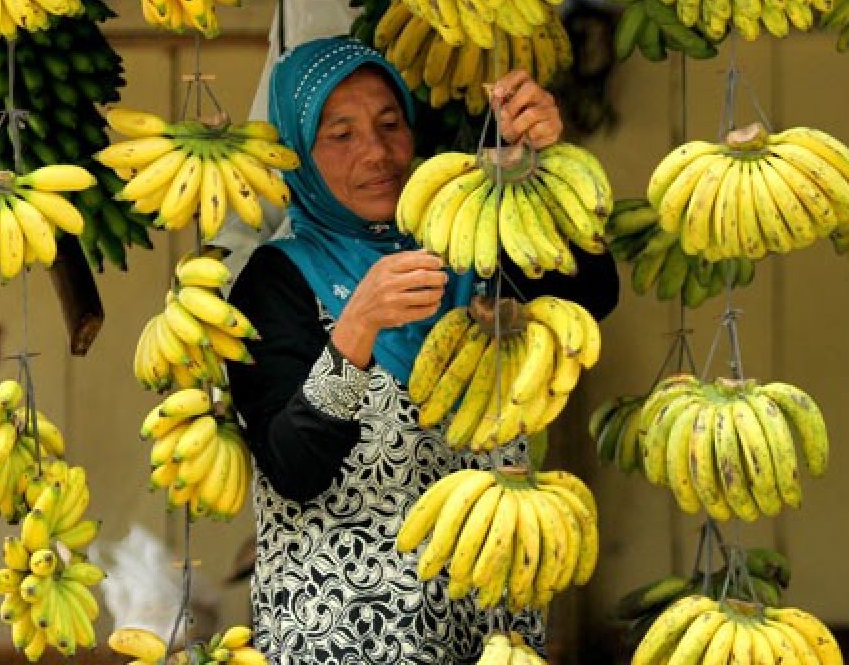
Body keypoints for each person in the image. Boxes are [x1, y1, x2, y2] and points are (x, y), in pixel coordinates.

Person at [226, 36, 619, 664]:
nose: (378, 153)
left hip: (487, 623)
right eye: (341, 135)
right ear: (298, 151)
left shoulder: (471, 243)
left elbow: (592, 296)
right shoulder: (275, 281)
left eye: (389, 124)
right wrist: (356, 328)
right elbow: (291, 467)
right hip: (342, 635)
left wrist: (538, 168)